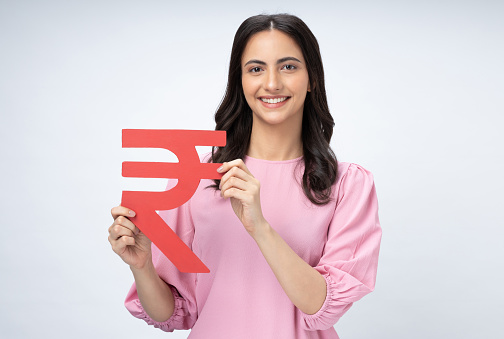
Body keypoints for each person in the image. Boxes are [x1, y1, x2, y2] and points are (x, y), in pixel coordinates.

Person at [108, 13, 382, 339]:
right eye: (256, 69)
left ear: (312, 79)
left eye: (289, 66)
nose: (271, 83)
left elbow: (321, 305)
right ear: (240, 80)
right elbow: (174, 313)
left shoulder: (348, 184)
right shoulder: (199, 174)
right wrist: (142, 268)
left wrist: (260, 227)